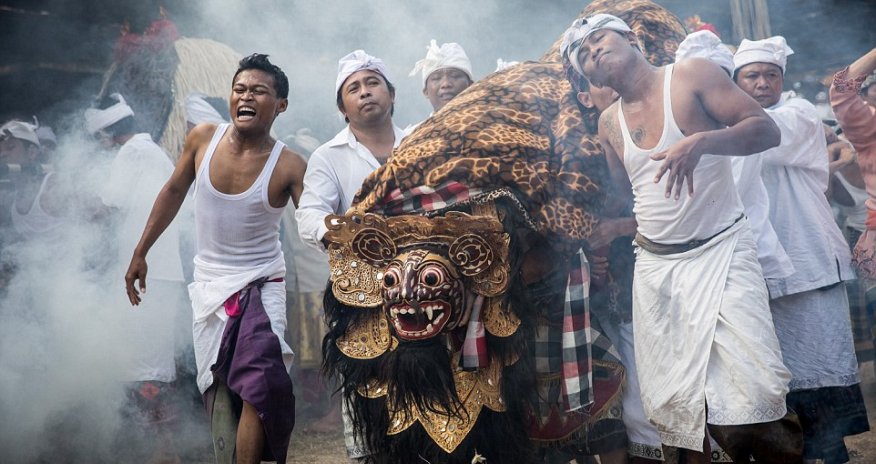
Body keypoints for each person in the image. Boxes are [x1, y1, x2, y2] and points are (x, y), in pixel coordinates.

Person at [562, 14, 800, 463]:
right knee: (674, 403)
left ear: (630, 37)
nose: (592, 50)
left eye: (599, 39)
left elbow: (767, 130)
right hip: (657, 270)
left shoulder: (690, 74)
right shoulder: (608, 123)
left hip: (723, 250)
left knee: (756, 388)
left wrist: (701, 143)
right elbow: (632, 198)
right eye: (583, 54)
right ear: (586, 77)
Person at [124, 53, 306, 464]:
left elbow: (312, 218)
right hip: (209, 288)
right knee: (221, 388)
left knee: (259, 382)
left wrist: (342, 239)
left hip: (263, 285)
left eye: (258, 90)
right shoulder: (202, 140)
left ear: (280, 105)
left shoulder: (290, 164)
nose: (246, 96)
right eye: (239, 89)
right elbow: (172, 192)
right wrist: (141, 252)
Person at [732, 37, 870, 463]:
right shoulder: (725, 126)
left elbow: (762, 139)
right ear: (735, 82)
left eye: (770, 75)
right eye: (751, 76)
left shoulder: (799, 114)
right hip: (758, 270)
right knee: (778, 375)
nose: (762, 83)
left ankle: (830, 453)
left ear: (782, 80)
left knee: (822, 367)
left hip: (810, 261)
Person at [295, 49, 403, 461]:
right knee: (368, 394)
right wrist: (345, 234)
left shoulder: (422, 141)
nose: (365, 92)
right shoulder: (328, 156)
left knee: (427, 391)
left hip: (426, 289)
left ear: (391, 93)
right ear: (343, 107)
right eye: (353, 88)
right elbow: (309, 215)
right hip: (362, 293)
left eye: (372, 82)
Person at [83, 93, 186, 463]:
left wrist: (78, 202)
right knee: (152, 360)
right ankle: (156, 448)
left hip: (146, 273)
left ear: (105, 135)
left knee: (146, 364)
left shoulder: (133, 154)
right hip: (159, 273)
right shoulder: (153, 151)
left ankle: (163, 451)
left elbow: (108, 204)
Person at [405, 40, 473, 134]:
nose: (446, 84)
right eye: (436, 78)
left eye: (455, 76)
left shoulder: (491, 129)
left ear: (471, 86)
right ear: (426, 91)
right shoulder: (411, 137)